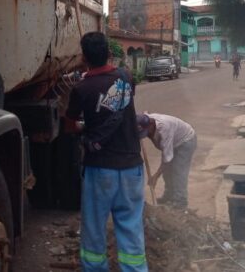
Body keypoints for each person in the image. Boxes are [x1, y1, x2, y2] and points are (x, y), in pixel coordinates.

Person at [65, 32, 148, 272]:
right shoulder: (127, 77)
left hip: (99, 169)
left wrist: (84, 125)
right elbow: (121, 105)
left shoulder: (81, 89)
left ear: (83, 57)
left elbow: (70, 125)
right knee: (131, 227)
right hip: (132, 168)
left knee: (93, 229)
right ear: (109, 53)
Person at [138, 113, 197, 209]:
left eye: (147, 131)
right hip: (174, 140)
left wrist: (155, 177)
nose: (146, 134)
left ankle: (180, 202)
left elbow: (167, 159)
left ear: (152, 125)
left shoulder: (165, 130)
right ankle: (169, 195)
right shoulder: (145, 119)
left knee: (178, 171)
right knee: (166, 172)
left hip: (186, 141)